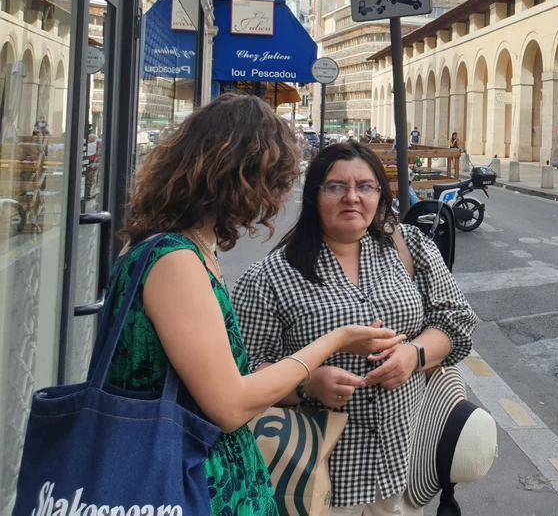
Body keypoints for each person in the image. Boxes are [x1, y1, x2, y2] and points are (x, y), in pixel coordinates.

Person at [108, 94, 405, 516]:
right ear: (236, 177)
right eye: (272, 179)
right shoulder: (175, 260)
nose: (277, 196)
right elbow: (231, 404)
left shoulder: (176, 248)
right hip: (186, 482)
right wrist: (334, 341)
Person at [233, 142, 477, 516]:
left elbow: (455, 320)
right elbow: (244, 376)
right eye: (336, 187)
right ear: (315, 196)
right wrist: (307, 384)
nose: (352, 197)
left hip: (398, 471)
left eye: (365, 186)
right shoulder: (271, 276)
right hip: (313, 479)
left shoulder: (407, 247)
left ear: (380, 195)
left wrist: (414, 354)